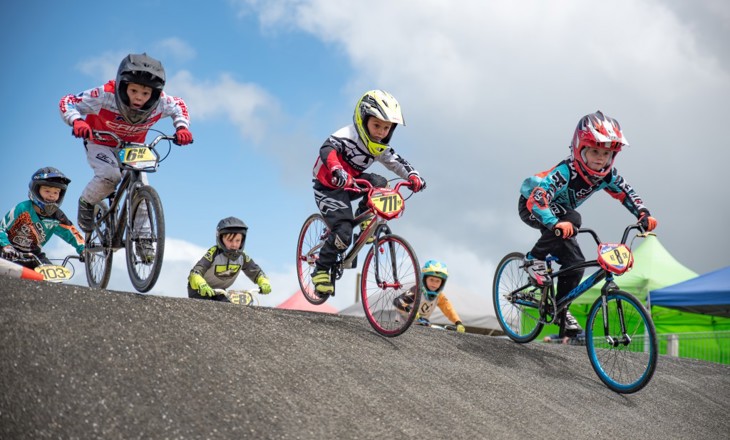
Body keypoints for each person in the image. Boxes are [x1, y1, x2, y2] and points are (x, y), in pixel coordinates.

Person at [518, 110, 658, 336]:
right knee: (573, 219)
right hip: (532, 205)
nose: (600, 158)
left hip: (560, 215)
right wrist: (554, 222)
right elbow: (538, 199)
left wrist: (643, 214)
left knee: (577, 263)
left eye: (606, 153)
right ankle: (533, 259)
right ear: (579, 148)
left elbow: (627, 193)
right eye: (594, 151)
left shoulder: (607, 176)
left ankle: (560, 309)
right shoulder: (566, 171)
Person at [59, 53, 193, 252]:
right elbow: (68, 101)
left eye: (146, 93)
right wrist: (76, 121)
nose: (139, 97)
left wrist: (182, 127)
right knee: (110, 175)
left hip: (133, 147)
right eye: (134, 90)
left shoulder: (161, 102)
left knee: (142, 185)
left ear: (155, 94)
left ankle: (144, 240)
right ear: (123, 85)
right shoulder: (105, 95)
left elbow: (179, 106)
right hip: (101, 142)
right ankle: (87, 201)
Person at [310, 90, 426, 296]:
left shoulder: (380, 146)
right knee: (344, 232)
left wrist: (413, 176)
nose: (381, 132)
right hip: (328, 187)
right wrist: (337, 169)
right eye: (376, 125)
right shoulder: (346, 136)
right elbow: (327, 150)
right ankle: (321, 269)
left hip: (352, 184)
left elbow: (396, 162)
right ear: (362, 120)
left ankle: (365, 219)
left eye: (386, 128)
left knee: (380, 182)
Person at [0, 167, 85, 268]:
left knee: (54, 278)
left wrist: (84, 250)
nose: (52, 196)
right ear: (36, 190)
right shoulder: (23, 208)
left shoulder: (58, 217)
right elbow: (2, 228)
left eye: (56, 192)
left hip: (33, 255)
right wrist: (6, 246)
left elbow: (73, 235)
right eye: (47, 191)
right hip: (7, 251)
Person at [187, 217, 272, 302]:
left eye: (238, 240)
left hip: (220, 291)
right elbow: (195, 273)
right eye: (230, 240)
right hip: (199, 291)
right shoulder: (214, 253)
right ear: (220, 239)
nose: (234, 244)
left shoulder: (242, 257)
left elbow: (257, 273)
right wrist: (201, 284)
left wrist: (264, 282)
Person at [393, 260, 466, 333]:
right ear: (424, 279)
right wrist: (409, 309)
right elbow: (397, 301)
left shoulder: (440, 296)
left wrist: (458, 322)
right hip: (401, 325)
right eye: (431, 279)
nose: (434, 284)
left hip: (420, 327)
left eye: (438, 281)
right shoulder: (416, 290)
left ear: (442, 283)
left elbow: (449, 309)